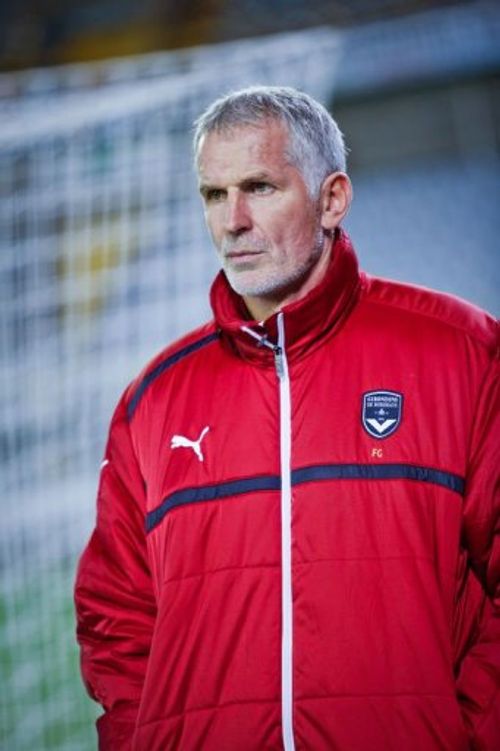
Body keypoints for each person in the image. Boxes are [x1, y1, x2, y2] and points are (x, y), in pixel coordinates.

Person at [74, 86, 499, 751]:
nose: (231, 221)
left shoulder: (464, 354)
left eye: (260, 187)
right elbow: (116, 620)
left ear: (333, 198)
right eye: (213, 195)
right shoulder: (151, 400)